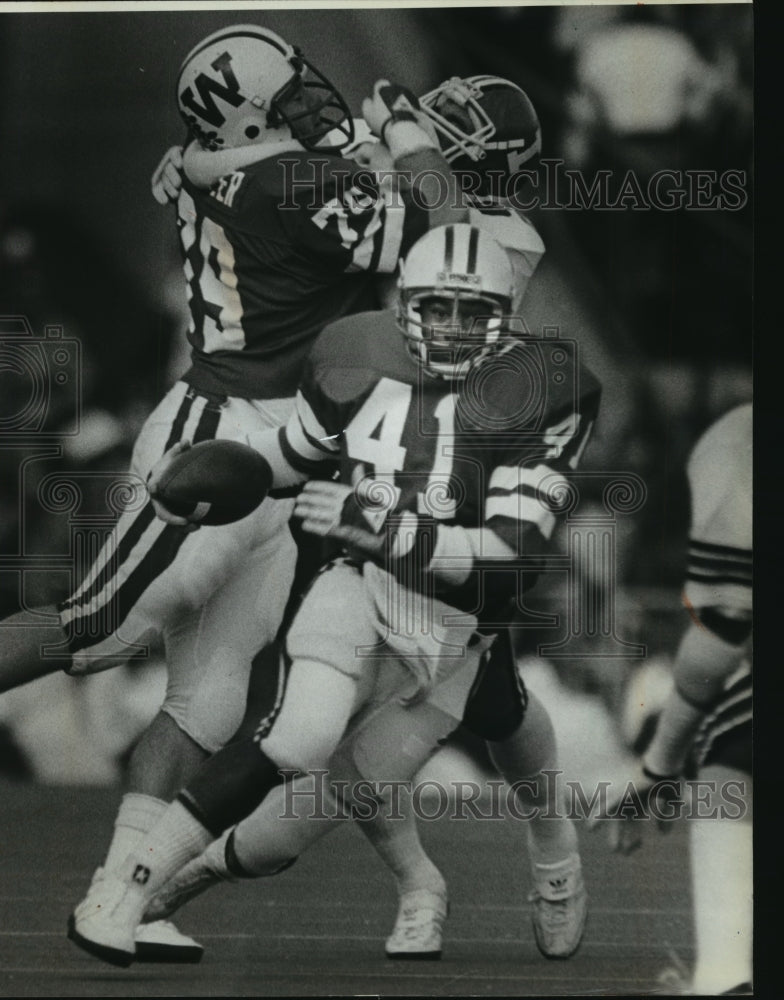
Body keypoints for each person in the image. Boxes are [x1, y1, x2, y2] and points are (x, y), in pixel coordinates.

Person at [0, 23, 465, 961]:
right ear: (253, 116)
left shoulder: (208, 163)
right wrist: (408, 141)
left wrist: (358, 152)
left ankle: (120, 897)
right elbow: (436, 226)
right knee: (97, 625)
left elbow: (298, 185)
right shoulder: (291, 185)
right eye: (289, 97)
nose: (311, 105)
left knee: (208, 696)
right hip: (220, 436)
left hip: (282, 445)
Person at [67, 222, 601, 967]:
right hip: (359, 577)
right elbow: (293, 454)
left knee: (335, 799)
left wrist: (384, 528)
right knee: (297, 737)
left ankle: (554, 854)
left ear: (508, 305)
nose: (450, 326)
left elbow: (506, 552)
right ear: (404, 300)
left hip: (455, 616)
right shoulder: (355, 349)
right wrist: (208, 471)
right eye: (435, 307)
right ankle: (128, 887)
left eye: (471, 309)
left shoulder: (543, 386)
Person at [145, 75, 566, 962]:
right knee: (315, 722)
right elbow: (286, 190)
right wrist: (203, 169)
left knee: (491, 701)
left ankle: (552, 847)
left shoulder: (502, 238)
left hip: (454, 494)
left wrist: (401, 140)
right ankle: (414, 881)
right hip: (355, 461)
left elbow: (439, 219)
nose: (425, 137)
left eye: (449, 132)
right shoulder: (406, 182)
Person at [596, 403, 752, 994]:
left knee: (733, 739)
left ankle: (724, 972)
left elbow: (726, 626)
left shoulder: (739, 438)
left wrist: (658, 765)